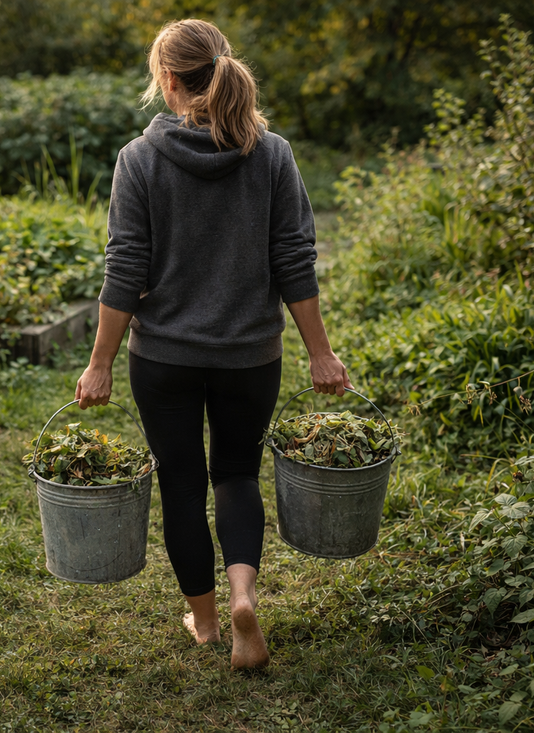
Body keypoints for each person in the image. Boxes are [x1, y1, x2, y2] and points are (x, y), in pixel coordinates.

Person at [74, 18, 351, 670]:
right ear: (223, 68)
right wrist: (319, 351)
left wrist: (99, 363)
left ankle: (203, 619)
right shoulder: (274, 154)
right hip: (250, 355)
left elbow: (124, 270)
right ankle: (243, 596)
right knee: (234, 474)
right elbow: (295, 260)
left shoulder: (138, 160)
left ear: (168, 80)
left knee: (180, 482)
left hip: (163, 357)